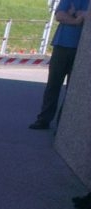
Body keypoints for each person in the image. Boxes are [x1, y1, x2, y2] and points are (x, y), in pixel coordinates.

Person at [29, 0, 87, 130]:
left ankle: (63, 125)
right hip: (61, 45)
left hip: (82, 50)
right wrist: (77, 20)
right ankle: (44, 119)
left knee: (73, 90)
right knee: (53, 85)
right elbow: (60, 16)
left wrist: (76, 13)